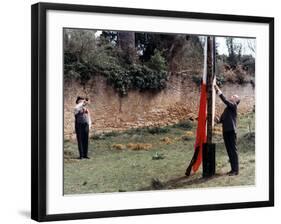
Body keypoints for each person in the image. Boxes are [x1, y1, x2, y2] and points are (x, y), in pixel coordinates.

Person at [214, 85, 240, 176]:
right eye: (232, 96)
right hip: (225, 131)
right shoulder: (227, 109)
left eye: (234, 96)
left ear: (236, 101)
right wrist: (216, 119)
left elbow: (225, 100)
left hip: (231, 131)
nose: (232, 96)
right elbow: (221, 120)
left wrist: (218, 91)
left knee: (233, 150)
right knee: (229, 151)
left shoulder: (234, 106)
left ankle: (236, 170)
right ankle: (233, 170)